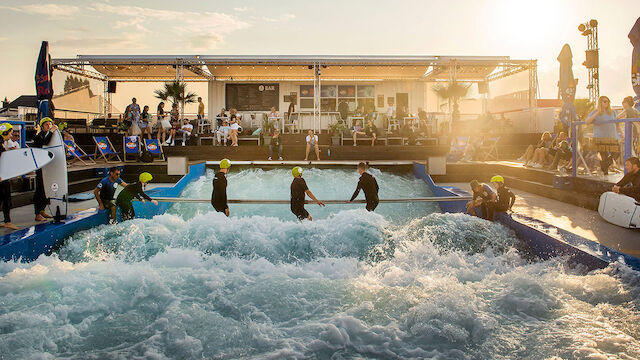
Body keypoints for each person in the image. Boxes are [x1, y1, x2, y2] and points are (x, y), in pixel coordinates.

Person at [586, 96, 623, 175]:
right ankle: (605, 172)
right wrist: (597, 113)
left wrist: (622, 134)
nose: (607, 103)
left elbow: (617, 124)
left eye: (608, 101)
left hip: (612, 137)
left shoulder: (612, 112)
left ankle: (603, 166)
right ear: (600, 102)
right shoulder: (595, 111)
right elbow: (587, 121)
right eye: (605, 101)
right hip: (600, 137)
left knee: (617, 153)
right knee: (604, 155)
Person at [32, 117, 57, 221]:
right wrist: (51, 132)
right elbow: (45, 142)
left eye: (50, 124)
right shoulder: (39, 136)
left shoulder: (49, 135)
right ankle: (37, 213)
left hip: (47, 166)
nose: (49, 126)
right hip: (40, 167)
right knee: (40, 189)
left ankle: (42, 210)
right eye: (46, 124)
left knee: (45, 189)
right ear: (42, 126)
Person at [0, 123, 19, 230]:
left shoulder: (2, 143)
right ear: (5, 133)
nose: (11, 136)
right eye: (10, 133)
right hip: (2, 177)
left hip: (3, 175)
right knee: (6, 199)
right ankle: (7, 221)